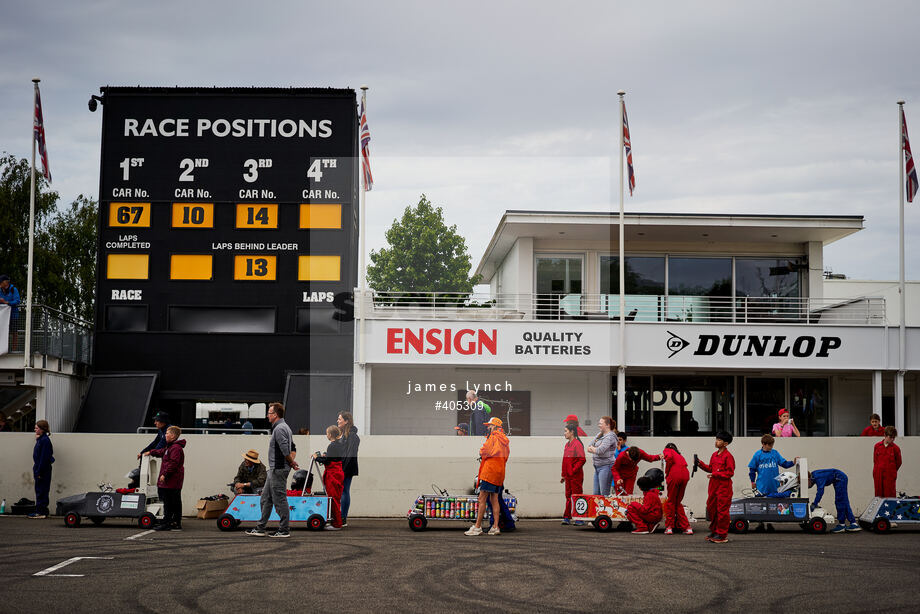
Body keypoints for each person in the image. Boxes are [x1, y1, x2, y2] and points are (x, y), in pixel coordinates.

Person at [247, 402, 299, 538]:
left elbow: (286, 450)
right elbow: (293, 448)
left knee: (279, 499)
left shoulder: (280, 429)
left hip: (278, 469)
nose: (267, 415)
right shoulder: (283, 427)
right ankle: (260, 527)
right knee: (265, 498)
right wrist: (292, 462)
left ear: (275, 414)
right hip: (275, 469)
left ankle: (284, 529)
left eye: (269, 413)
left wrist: (291, 462)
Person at [465, 417, 510, 536]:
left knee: (482, 499)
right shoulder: (504, 440)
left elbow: (484, 451)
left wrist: (481, 451)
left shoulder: (493, 437)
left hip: (489, 472)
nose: (488, 427)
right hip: (499, 473)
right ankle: (495, 527)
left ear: (495, 426)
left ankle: (477, 527)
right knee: (494, 499)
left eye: (489, 425)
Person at [697, 430, 735, 544]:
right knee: (712, 508)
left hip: (724, 487)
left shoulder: (728, 456)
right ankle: (715, 531)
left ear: (725, 443)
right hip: (713, 486)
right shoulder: (714, 455)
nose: (716, 442)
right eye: (716, 439)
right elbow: (710, 468)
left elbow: (730, 473)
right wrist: (700, 464)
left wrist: (716, 474)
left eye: (719, 440)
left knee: (722, 511)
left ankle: (722, 534)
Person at [145, 425, 186, 531]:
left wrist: (165, 475)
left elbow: (173, 463)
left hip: (172, 481)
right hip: (171, 481)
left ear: (172, 435)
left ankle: (170, 522)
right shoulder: (170, 447)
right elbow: (161, 452)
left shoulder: (175, 448)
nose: (165, 435)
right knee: (171, 501)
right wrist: (151, 452)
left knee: (171, 502)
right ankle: (171, 521)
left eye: (167, 433)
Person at [313, 425, 346, 530]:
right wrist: (326, 455)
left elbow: (328, 461)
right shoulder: (339, 444)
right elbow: (333, 458)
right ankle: (335, 521)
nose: (326, 435)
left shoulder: (332, 446)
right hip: (338, 472)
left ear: (331, 434)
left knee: (333, 498)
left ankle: (337, 524)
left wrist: (317, 458)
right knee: (335, 497)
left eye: (327, 433)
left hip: (333, 474)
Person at [809, 469, 861, 533]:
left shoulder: (818, 477)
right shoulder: (814, 475)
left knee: (840, 501)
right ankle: (852, 523)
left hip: (839, 478)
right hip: (839, 478)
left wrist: (815, 503)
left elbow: (820, 491)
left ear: (808, 479)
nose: (807, 486)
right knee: (844, 501)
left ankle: (843, 524)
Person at [661, 443, 692, 535]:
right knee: (677, 502)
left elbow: (669, 458)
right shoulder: (679, 455)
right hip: (685, 475)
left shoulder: (667, 450)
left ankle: (669, 527)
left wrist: (667, 473)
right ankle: (687, 527)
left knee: (671, 502)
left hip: (675, 475)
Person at [560, 422, 585, 525]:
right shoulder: (567, 445)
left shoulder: (577, 444)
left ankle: (579, 518)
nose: (564, 433)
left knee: (577, 496)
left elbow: (582, 460)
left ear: (572, 432)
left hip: (576, 476)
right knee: (568, 496)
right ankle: (567, 517)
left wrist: (573, 470)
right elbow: (565, 461)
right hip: (568, 476)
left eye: (566, 431)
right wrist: (563, 475)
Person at [337, 411, 359, 526]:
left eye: (339, 419)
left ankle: (343, 518)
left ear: (346, 421)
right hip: (343, 466)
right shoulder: (344, 435)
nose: (337, 421)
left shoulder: (352, 436)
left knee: (345, 491)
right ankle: (340, 516)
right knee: (342, 491)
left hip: (347, 468)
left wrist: (342, 469)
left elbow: (350, 454)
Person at [29, 420, 54, 519]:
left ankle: (41, 511)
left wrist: (39, 471)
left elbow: (44, 457)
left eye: (37, 428)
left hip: (42, 469)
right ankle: (42, 510)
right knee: (41, 490)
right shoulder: (42, 439)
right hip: (41, 468)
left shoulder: (45, 441)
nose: (35, 429)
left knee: (41, 490)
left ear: (42, 429)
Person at [586, 416, 617, 495]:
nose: (598, 425)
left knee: (604, 493)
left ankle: (605, 507)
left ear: (607, 425)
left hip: (606, 466)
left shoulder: (610, 437)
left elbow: (600, 450)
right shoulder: (600, 434)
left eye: (600, 423)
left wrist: (594, 449)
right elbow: (589, 446)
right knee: (596, 493)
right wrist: (595, 449)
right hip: (597, 467)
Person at [872, 426, 902, 497]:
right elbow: (875, 460)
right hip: (878, 474)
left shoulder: (896, 448)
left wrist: (892, 471)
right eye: (890, 437)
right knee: (878, 494)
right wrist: (878, 469)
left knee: (890, 494)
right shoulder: (877, 446)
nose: (892, 439)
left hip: (889, 475)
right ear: (885, 435)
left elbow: (899, 462)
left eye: (893, 438)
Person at [0, 274, 20, 347]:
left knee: (14, 332)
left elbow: (17, 301)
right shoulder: (0, 290)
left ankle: (14, 348)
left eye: (1, 282)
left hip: (13, 315)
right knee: (3, 331)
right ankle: (4, 347)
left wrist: (7, 302)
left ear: (5, 282)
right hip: (3, 315)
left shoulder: (13, 289)